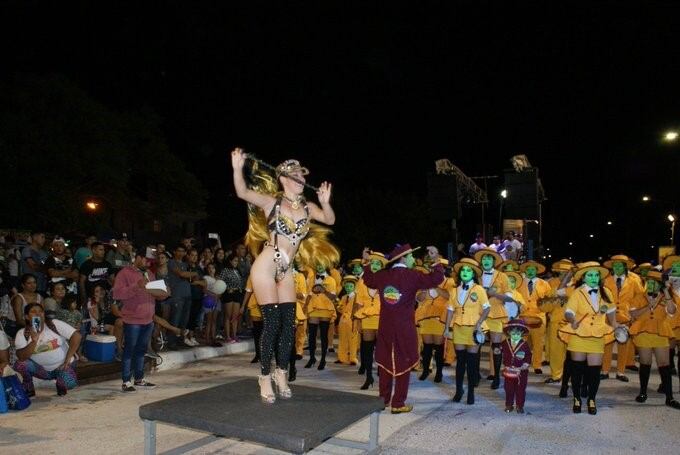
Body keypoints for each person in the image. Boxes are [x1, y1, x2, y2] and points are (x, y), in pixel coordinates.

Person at [231, 147, 338, 404]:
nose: (301, 179)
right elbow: (242, 192)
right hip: (267, 265)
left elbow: (330, 220)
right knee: (272, 324)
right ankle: (264, 376)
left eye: (302, 175)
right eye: (295, 175)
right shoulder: (272, 202)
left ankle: (281, 373)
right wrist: (237, 168)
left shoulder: (308, 207)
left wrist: (325, 202)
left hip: (287, 268)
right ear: (283, 179)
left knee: (288, 325)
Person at [362, 244, 445, 414]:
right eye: (411, 256)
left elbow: (368, 280)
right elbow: (436, 279)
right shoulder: (413, 276)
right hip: (404, 327)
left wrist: (366, 261)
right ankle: (398, 402)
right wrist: (436, 260)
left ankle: (382, 400)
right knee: (404, 361)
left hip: (385, 326)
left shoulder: (383, 275)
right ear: (403, 258)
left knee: (385, 361)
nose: (413, 259)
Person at [558, 261, 620, 415]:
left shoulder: (606, 292)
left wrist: (616, 326)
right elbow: (569, 312)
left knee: (594, 371)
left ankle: (592, 399)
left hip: (597, 334)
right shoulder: (577, 292)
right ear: (584, 278)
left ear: (600, 277)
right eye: (590, 275)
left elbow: (611, 315)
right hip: (579, 333)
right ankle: (577, 398)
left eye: (596, 275)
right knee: (577, 370)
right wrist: (572, 320)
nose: (593, 278)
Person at [112, 252, 168, 392]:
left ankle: (139, 378)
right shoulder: (124, 273)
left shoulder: (149, 273)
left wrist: (164, 292)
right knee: (130, 349)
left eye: (149, 261)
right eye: (144, 260)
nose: (147, 263)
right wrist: (137, 286)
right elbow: (117, 293)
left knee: (142, 350)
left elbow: (157, 294)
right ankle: (126, 381)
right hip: (132, 319)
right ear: (136, 258)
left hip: (148, 318)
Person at [629, 270, 680, 408]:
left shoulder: (667, 297)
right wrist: (648, 306)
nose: (651, 284)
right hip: (643, 333)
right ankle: (643, 393)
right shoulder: (638, 297)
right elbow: (633, 314)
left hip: (661, 333)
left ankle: (669, 398)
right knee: (645, 363)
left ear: (660, 284)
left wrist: (666, 292)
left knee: (664, 364)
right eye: (649, 281)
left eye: (655, 282)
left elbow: (672, 311)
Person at [444, 257, 491, 405]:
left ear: (473, 274)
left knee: (471, 363)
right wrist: (446, 328)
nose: (465, 272)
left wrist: (479, 323)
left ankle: (471, 391)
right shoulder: (454, 290)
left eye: (468, 270)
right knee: (460, 363)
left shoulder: (479, 289)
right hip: (459, 327)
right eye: (463, 270)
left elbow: (487, 308)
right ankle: (459, 390)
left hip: (474, 329)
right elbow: (450, 310)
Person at [14, 303, 81, 396]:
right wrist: (33, 341)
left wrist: (67, 360)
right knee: (20, 364)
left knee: (70, 383)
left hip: (63, 366)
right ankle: (28, 386)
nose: (38, 314)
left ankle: (60, 382)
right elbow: (21, 357)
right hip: (42, 371)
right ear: (27, 317)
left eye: (41, 311)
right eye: (33, 312)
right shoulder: (23, 333)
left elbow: (76, 336)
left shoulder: (54, 324)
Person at [473, 247, 516, 389]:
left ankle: (496, 376)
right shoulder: (476, 276)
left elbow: (509, 298)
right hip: (478, 314)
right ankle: (476, 375)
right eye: (484, 258)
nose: (486, 261)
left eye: (489, 258)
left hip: (496, 313)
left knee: (496, 346)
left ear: (494, 261)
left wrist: (495, 294)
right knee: (476, 345)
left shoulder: (502, 276)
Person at [602, 254, 644, 382]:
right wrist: (602, 311)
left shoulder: (633, 280)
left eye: (620, 265)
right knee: (607, 344)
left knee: (623, 344)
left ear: (625, 267)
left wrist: (632, 308)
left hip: (626, 316)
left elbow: (640, 295)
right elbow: (601, 296)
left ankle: (620, 372)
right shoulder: (606, 279)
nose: (617, 268)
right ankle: (605, 371)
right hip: (608, 317)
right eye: (615, 265)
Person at [354, 251, 388, 389]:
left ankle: (382, 372)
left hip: (382, 318)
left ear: (381, 266)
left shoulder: (387, 280)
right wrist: (358, 321)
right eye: (372, 263)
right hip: (367, 317)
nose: (374, 265)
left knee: (381, 349)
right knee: (366, 348)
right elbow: (358, 303)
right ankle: (369, 376)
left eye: (377, 263)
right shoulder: (362, 281)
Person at [517, 260, 551, 374]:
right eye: (528, 269)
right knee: (521, 342)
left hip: (539, 317)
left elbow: (548, 300)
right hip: (522, 316)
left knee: (538, 343)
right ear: (525, 270)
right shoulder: (519, 282)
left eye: (533, 269)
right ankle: (520, 362)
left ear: (537, 271)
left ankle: (537, 364)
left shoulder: (544, 284)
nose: (530, 271)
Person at [303, 263, 337, 370]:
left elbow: (333, 296)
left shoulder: (331, 279)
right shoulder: (312, 278)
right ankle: (312, 358)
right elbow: (308, 294)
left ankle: (323, 359)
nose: (319, 267)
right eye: (318, 265)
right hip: (313, 308)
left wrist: (324, 291)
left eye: (322, 265)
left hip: (325, 309)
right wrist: (305, 306)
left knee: (323, 335)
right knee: (311, 335)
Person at [501, 319, 532, 413]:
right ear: (509, 332)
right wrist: (497, 350)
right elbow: (499, 350)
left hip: (521, 372)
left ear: (522, 332)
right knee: (508, 389)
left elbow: (528, 355)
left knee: (520, 389)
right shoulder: (505, 343)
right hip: (508, 371)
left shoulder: (525, 344)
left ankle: (519, 405)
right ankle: (509, 405)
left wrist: (526, 363)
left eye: (518, 332)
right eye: (513, 332)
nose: (515, 334)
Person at [218, 253, 244, 343]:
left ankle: (234, 335)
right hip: (228, 294)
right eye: (234, 260)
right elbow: (220, 282)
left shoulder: (237, 271)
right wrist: (227, 289)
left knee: (235, 317)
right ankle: (228, 336)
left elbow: (241, 283)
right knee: (228, 316)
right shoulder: (225, 270)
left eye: (237, 261)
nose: (236, 262)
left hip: (237, 294)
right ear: (230, 261)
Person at [336, 275, 360, 366]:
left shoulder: (357, 297)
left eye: (350, 286)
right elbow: (341, 308)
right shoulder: (343, 297)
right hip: (343, 321)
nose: (348, 288)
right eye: (346, 286)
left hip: (352, 320)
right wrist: (339, 308)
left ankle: (353, 358)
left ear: (354, 287)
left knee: (353, 340)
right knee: (342, 339)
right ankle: (342, 357)